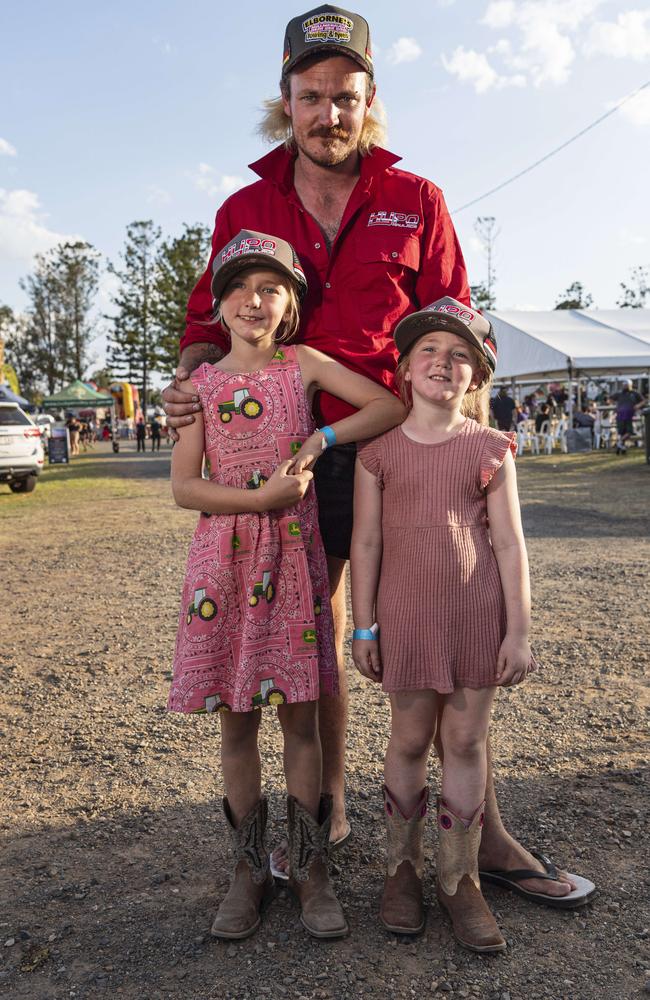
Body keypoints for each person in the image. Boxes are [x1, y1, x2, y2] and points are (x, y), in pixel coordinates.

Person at [162, 3, 594, 906]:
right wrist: (187, 382)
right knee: (310, 647)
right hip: (282, 464)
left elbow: (459, 333)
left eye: (346, 96)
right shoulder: (244, 206)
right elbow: (206, 325)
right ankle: (321, 829)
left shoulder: (418, 199)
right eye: (310, 95)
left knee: (433, 635)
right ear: (285, 101)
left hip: (400, 448)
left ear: (370, 102)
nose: (329, 113)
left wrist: (467, 449)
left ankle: (489, 837)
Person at [167, 230, 404, 942]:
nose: (253, 300)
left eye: (270, 287)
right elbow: (183, 486)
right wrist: (259, 502)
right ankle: (246, 871)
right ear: (218, 303)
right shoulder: (200, 388)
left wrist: (319, 441)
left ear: (291, 303)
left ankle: (309, 870)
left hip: (294, 564)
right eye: (239, 287)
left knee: (300, 719)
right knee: (236, 723)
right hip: (225, 563)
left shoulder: (304, 365)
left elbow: (386, 406)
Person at [351, 299, 536, 950]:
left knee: (464, 742)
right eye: (428, 350)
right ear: (402, 369)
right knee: (407, 740)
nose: (443, 363)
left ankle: (460, 881)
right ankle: (400, 869)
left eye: (461, 356)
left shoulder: (492, 448)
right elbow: (367, 546)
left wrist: (518, 632)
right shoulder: (378, 456)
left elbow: (510, 545)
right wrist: (364, 626)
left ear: (476, 380)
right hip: (405, 622)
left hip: (477, 621)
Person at [610, 380, 643, 454]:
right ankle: (622, 447)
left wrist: (638, 405)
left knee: (629, 432)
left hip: (629, 415)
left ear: (630, 385)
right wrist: (615, 405)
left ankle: (619, 443)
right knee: (622, 432)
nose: (625, 386)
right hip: (620, 415)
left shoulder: (635, 393)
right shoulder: (619, 393)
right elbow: (610, 399)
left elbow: (644, 401)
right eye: (624, 385)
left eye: (626, 385)